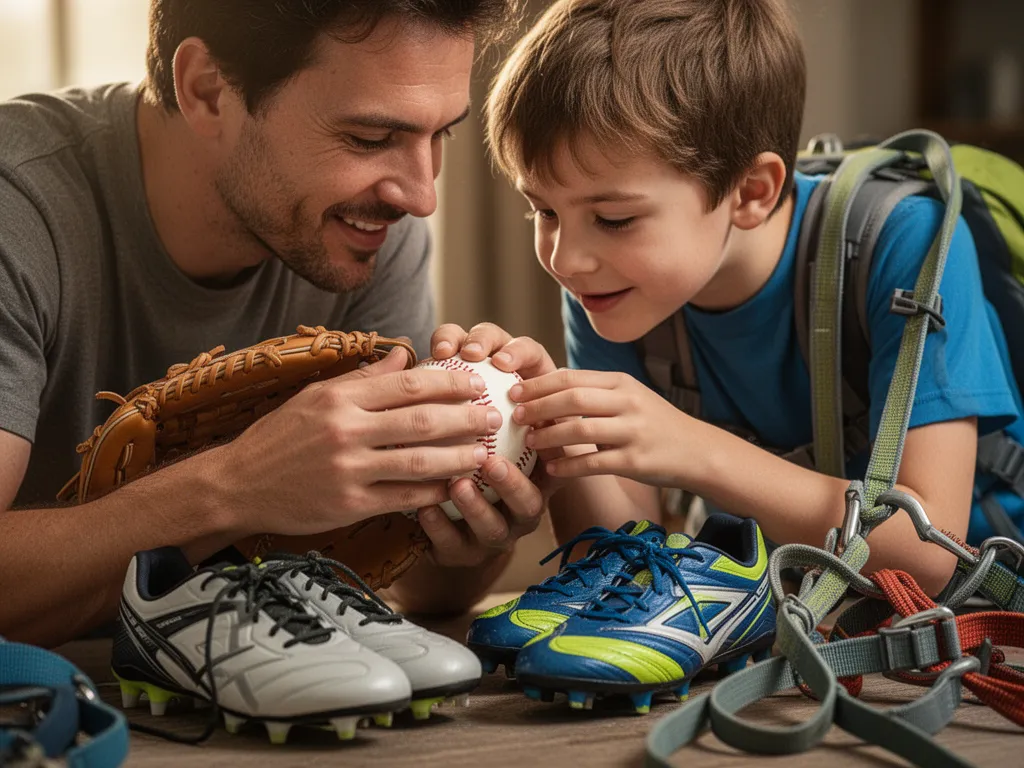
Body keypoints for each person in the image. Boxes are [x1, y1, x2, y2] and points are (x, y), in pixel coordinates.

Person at [0, 0, 556, 649]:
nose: (421, 194)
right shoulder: (20, 210)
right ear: (208, 90)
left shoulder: (360, 229)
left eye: (441, 135)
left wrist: (469, 525)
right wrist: (236, 486)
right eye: (370, 139)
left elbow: (414, 587)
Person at [469, 0, 1024, 597]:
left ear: (751, 192)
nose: (564, 259)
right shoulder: (614, 289)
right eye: (544, 210)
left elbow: (931, 551)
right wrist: (556, 428)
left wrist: (691, 447)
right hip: (803, 617)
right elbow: (621, 561)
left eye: (614, 217)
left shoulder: (904, 241)